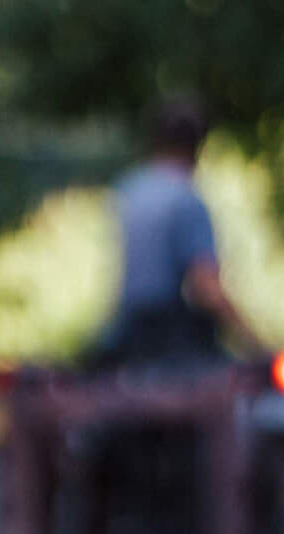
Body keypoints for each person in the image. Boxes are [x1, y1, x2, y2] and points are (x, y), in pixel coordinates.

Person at [105, 98, 261, 365]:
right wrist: (255, 342)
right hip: (171, 338)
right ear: (199, 145)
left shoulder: (130, 190)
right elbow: (205, 284)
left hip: (127, 331)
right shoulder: (186, 198)